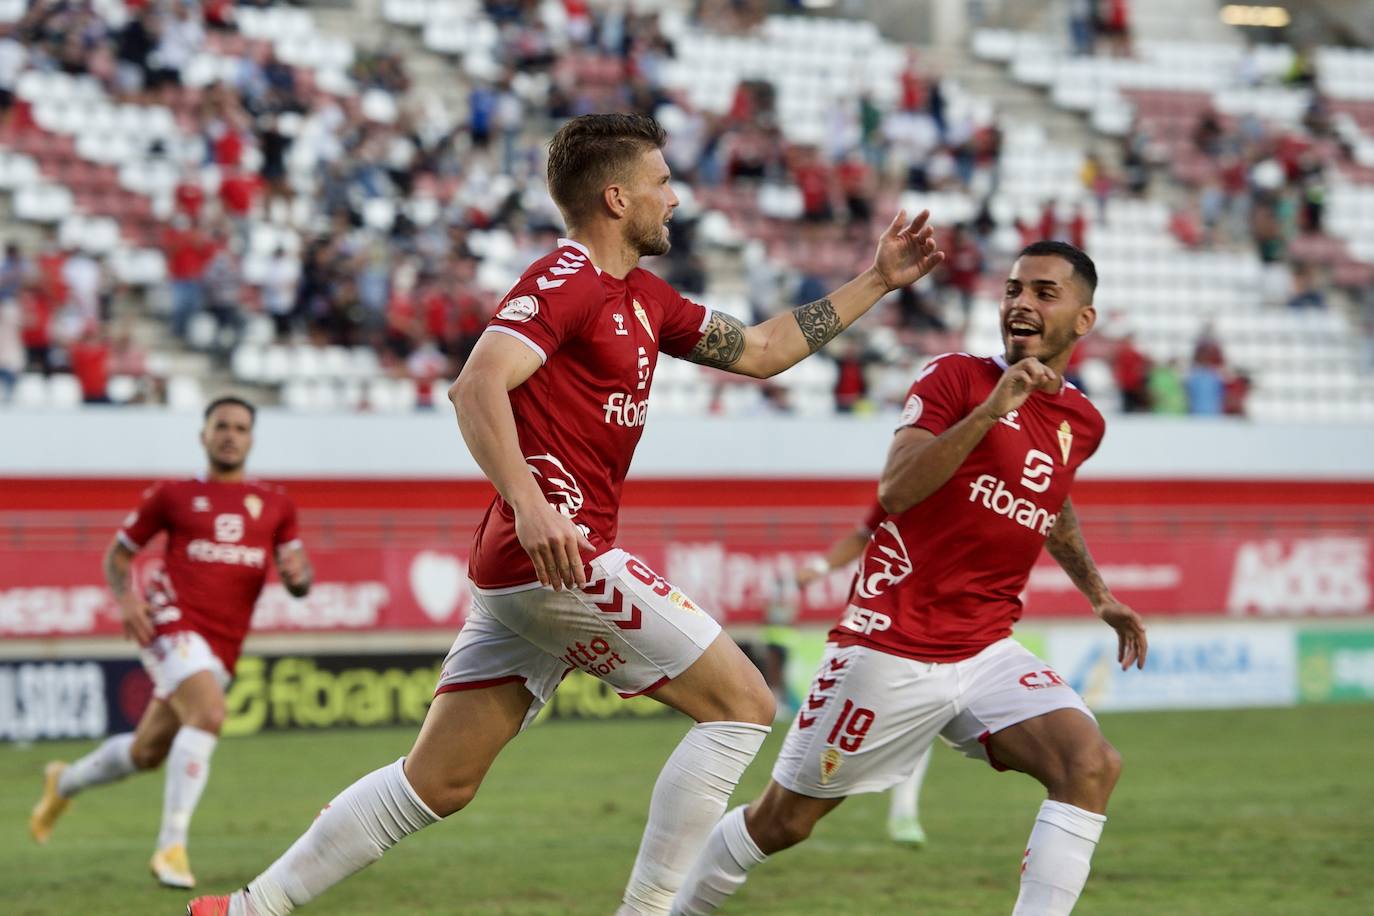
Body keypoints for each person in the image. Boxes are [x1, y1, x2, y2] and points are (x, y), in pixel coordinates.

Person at [188, 112, 943, 916]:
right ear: (617, 198)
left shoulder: (643, 297)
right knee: (745, 704)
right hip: (557, 553)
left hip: (522, 570)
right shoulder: (565, 280)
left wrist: (878, 280)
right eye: (660, 183)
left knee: (438, 781)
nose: (674, 199)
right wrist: (532, 504)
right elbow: (476, 386)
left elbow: (761, 350)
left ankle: (244, 909)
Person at [671, 240, 1149, 916]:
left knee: (1090, 764)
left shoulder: (1082, 421)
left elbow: (1053, 501)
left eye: (1044, 292)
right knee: (782, 823)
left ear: (1083, 319)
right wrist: (992, 413)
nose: (1020, 304)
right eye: (1013, 289)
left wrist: (1099, 593)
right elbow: (896, 490)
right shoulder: (954, 377)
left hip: (985, 648)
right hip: (889, 645)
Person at [29, 396, 312, 890]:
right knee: (209, 713)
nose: (230, 434)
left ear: (251, 438)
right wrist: (127, 600)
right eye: (220, 425)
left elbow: (299, 576)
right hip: (169, 620)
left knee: (147, 752)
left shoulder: (276, 505)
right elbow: (118, 557)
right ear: (203, 435)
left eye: (240, 427)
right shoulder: (173, 495)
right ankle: (171, 847)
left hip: (223, 642)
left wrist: (298, 576)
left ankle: (63, 782)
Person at [796, 502, 932, 847]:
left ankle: (904, 812)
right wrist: (820, 566)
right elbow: (862, 535)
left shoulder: (977, 493)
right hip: (882, 625)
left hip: (936, 629)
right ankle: (793, 798)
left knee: (923, 719)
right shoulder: (907, 486)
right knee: (848, 723)